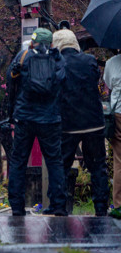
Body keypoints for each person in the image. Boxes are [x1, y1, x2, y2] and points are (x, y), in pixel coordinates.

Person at [7, 27, 67, 216]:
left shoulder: (23, 57)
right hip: (50, 119)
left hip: (25, 117)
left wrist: (12, 113)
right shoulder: (58, 60)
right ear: (50, 43)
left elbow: (11, 82)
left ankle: (17, 206)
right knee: (55, 162)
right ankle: (59, 205)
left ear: (33, 42)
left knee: (18, 161)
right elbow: (63, 83)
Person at [52, 29, 109, 216]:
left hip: (68, 124)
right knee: (98, 165)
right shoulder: (90, 60)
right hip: (93, 121)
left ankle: (59, 206)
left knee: (61, 166)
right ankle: (101, 207)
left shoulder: (56, 63)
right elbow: (94, 82)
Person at [102, 50, 121, 209]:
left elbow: (108, 82)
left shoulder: (111, 63)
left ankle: (119, 204)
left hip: (118, 113)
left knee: (119, 161)